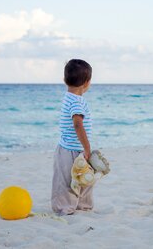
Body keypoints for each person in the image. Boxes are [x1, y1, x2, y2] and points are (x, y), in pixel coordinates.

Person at [51, 59, 94, 216]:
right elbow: (77, 124)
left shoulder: (69, 98)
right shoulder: (77, 102)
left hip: (68, 148)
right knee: (70, 180)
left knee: (84, 178)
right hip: (71, 150)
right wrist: (87, 148)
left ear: (64, 80)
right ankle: (65, 207)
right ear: (87, 83)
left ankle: (82, 206)